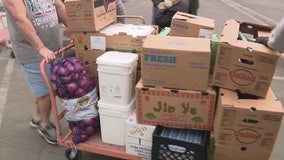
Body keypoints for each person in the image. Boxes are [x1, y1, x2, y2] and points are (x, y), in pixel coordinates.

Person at [3, 0, 67, 145]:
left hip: (51, 46)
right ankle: (44, 124)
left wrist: (76, 31)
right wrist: (40, 47)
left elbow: (58, 5)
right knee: (45, 92)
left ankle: (37, 116)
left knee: (40, 87)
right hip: (33, 50)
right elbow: (20, 18)